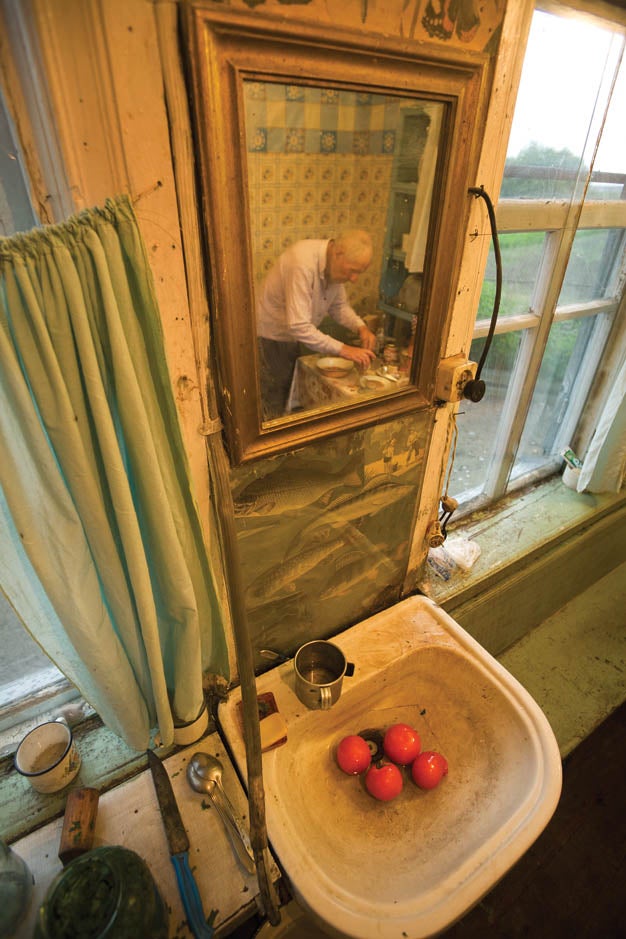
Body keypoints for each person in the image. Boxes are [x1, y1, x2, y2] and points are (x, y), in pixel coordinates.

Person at [256, 230, 377, 419]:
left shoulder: (335, 268)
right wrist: (344, 349)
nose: (354, 279)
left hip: (289, 337)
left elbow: (339, 307)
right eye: (353, 271)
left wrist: (361, 327)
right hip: (269, 336)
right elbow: (299, 326)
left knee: (287, 394)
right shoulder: (302, 263)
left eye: (359, 273)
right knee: (272, 402)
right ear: (338, 253)